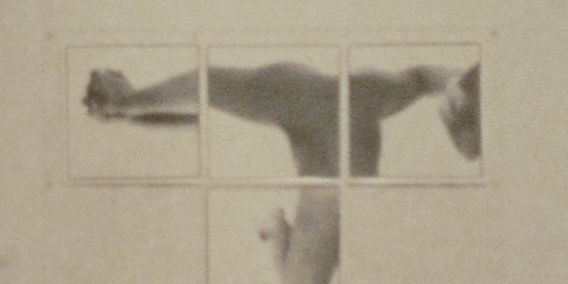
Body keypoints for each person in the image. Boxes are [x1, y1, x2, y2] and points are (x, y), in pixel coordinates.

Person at [82, 55, 472, 179]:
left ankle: (125, 104)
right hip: (311, 109)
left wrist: (455, 86)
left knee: (306, 282)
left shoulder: (366, 100)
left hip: (321, 116)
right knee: (305, 282)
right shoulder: (368, 97)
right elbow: (422, 78)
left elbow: (422, 78)